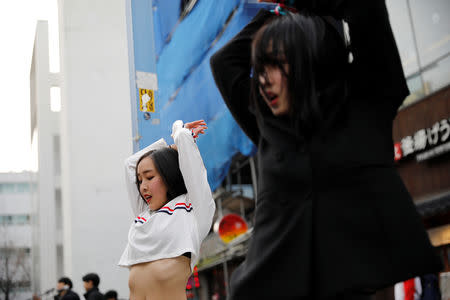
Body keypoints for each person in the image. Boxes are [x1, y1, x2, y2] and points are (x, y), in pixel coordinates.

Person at [210, 1, 443, 299]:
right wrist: (280, 14)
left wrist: (304, 10)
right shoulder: (272, 128)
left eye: (277, 62)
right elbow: (225, 62)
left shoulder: (365, 104)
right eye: (261, 67)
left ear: (310, 60)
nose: (263, 79)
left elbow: (365, 9)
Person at [118, 120, 216, 300]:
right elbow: (129, 165)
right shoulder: (144, 215)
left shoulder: (192, 212)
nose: (142, 187)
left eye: (149, 177)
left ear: (169, 174)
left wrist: (180, 136)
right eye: (140, 181)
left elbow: (193, 168)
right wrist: (167, 147)